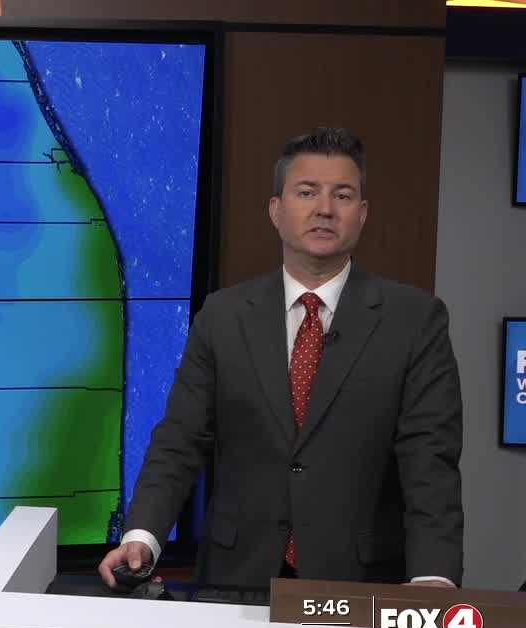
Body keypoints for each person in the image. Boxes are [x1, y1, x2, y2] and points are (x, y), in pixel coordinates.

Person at [100, 127, 463, 590]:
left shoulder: (414, 320)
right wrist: (143, 536)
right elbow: (180, 438)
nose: (325, 209)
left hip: (358, 581)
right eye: (307, 192)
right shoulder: (223, 316)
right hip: (235, 578)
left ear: (362, 214)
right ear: (276, 210)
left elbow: (430, 460)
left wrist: (433, 574)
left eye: (343, 195)